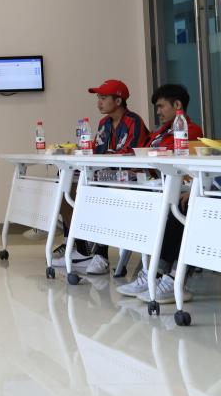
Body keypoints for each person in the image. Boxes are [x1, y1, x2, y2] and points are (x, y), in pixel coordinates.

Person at [53, 79, 151, 275]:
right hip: (105, 174)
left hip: (132, 179)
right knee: (64, 184)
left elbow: (129, 157)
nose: (99, 102)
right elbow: (97, 152)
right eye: (98, 97)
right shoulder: (104, 123)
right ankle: (82, 250)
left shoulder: (134, 122)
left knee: (99, 191)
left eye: (103, 98)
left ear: (118, 101)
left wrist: (101, 161)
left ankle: (101, 255)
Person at [117, 83, 201, 304]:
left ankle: (171, 277)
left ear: (177, 105)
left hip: (181, 189)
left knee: (177, 209)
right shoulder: (160, 132)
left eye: (162, 106)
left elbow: (176, 161)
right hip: (158, 188)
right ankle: (153, 273)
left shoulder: (190, 131)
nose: (158, 112)